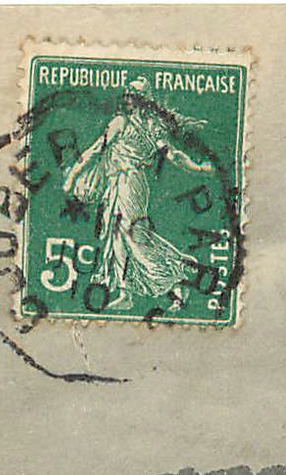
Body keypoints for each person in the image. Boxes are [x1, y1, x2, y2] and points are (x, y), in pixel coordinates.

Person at [63, 75, 214, 312]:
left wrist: (73, 175)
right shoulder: (152, 127)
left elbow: (96, 149)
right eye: (129, 95)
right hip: (126, 183)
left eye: (133, 96)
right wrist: (199, 168)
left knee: (128, 235)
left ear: (142, 100)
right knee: (121, 236)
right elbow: (173, 155)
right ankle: (131, 290)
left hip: (127, 182)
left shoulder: (121, 123)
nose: (129, 100)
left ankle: (179, 270)